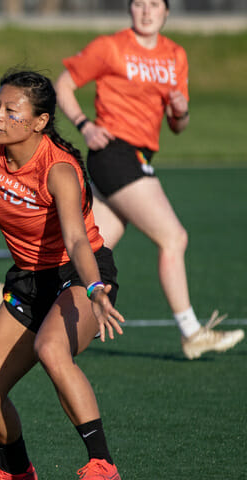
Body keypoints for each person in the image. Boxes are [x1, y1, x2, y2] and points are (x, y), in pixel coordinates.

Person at [0, 70, 125, 480]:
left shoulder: (59, 170)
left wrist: (97, 289)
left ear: (39, 122)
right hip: (28, 279)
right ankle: (16, 470)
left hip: (77, 274)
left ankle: (103, 464)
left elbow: (79, 240)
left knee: (51, 348)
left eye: (11, 110)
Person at [54, 0, 244, 360]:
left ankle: (17, 295)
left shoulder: (175, 55)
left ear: (166, 12)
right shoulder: (110, 46)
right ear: (129, 9)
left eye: (154, 4)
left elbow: (178, 125)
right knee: (173, 237)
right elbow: (63, 84)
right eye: (139, 3)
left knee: (93, 247)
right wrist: (85, 125)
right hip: (116, 154)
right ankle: (191, 332)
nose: (146, 10)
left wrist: (181, 110)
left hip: (139, 155)